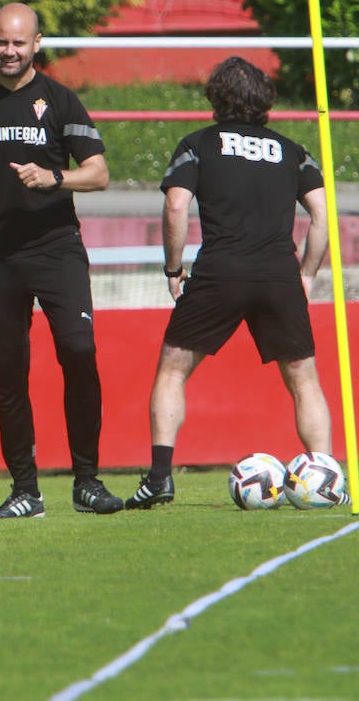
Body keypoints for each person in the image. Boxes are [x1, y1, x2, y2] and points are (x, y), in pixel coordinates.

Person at [0, 2, 123, 519]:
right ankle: (25, 491)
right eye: (0, 41)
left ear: (38, 43)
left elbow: (99, 173)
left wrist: (53, 177)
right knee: (7, 374)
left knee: (79, 354)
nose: (8, 51)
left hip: (57, 250)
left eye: (18, 42)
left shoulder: (60, 99)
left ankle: (87, 481)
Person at [126, 56, 335, 509]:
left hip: (220, 270)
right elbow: (322, 216)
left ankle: (160, 478)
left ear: (215, 98)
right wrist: (307, 273)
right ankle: (323, 477)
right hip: (278, 273)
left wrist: (172, 268)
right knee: (304, 380)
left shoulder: (197, 144)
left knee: (173, 370)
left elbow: (176, 208)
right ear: (266, 99)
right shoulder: (292, 150)